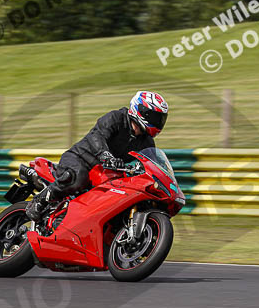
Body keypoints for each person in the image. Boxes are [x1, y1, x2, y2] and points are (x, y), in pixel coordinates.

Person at [25, 90, 169, 221]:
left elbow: (150, 162)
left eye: (161, 119)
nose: (158, 122)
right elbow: (98, 135)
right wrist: (106, 156)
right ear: (141, 110)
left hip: (107, 175)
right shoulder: (116, 118)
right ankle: (39, 201)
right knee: (77, 177)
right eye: (156, 117)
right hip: (80, 159)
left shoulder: (147, 142)